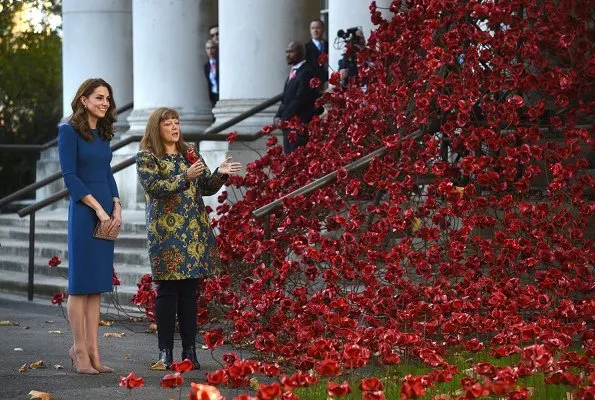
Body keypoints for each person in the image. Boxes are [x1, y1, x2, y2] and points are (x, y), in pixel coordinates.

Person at [135, 107, 241, 370]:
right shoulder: (147, 157)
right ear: (156, 128)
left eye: (177, 122)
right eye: (168, 123)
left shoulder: (189, 152)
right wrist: (184, 177)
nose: (174, 127)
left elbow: (205, 186)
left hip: (193, 232)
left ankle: (190, 353)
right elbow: (155, 188)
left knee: (190, 293)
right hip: (166, 234)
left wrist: (220, 172)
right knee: (167, 292)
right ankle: (165, 353)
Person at [57, 78, 122, 375]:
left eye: (107, 98)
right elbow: (69, 176)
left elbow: (106, 172)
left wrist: (116, 204)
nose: (105, 103)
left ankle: (95, 350)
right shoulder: (68, 131)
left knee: (96, 285)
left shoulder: (104, 133)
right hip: (85, 212)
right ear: (83, 99)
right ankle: (79, 349)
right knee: (80, 284)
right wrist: (97, 207)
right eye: (99, 97)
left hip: (106, 211)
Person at [274, 41, 318, 154]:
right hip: (288, 126)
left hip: (298, 126)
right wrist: (277, 116)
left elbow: (299, 99)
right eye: (286, 52)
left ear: (300, 53)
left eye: (291, 52)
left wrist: (283, 118)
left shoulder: (306, 72)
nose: (287, 55)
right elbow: (285, 99)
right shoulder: (294, 72)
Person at [304, 18, 329, 89]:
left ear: (323, 29)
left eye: (318, 28)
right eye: (313, 28)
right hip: (313, 87)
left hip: (328, 85)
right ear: (310, 31)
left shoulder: (329, 46)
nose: (315, 31)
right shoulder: (306, 48)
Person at [203, 39, 219, 107]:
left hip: (221, 94)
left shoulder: (220, 63)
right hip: (213, 95)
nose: (210, 51)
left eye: (212, 48)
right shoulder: (206, 66)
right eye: (208, 48)